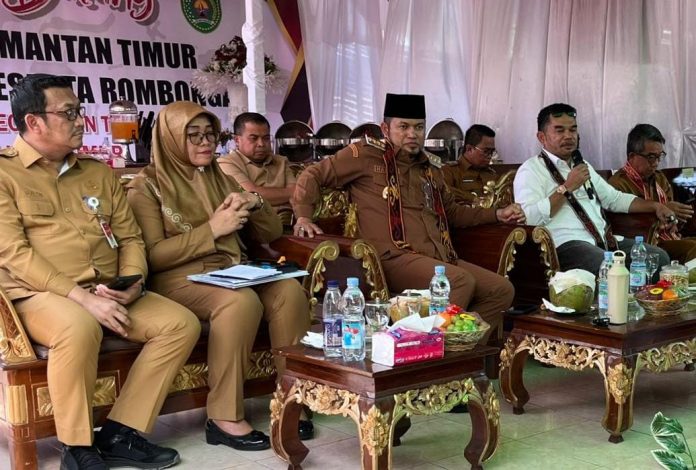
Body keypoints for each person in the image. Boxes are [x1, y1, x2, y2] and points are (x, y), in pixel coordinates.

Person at [0, 74, 201, 469]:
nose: (81, 121)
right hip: (38, 294)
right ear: (33, 122)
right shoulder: (5, 174)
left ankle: (121, 433)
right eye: (68, 113)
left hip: (107, 290)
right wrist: (82, 299)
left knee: (179, 324)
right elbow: (14, 254)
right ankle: (77, 447)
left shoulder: (97, 172)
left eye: (79, 111)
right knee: (78, 326)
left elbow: (130, 239)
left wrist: (133, 283)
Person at [126, 101, 311, 452]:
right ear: (170, 138)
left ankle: (293, 399)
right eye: (193, 136)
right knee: (238, 303)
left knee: (289, 291)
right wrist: (211, 230)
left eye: (210, 135)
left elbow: (271, 232)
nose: (205, 143)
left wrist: (255, 202)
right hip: (179, 279)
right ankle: (224, 416)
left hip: (232, 270)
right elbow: (151, 256)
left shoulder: (219, 178)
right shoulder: (146, 186)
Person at [291, 93, 525, 341]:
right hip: (391, 258)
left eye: (419, 127)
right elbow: (312, 175)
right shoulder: (365, 155)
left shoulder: (431, 168)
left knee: (500, 289)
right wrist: (303, 216)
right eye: (403, 127)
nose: (412, 134)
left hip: (437, 257)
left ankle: (462, 350)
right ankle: (430, 352)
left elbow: (453, 213)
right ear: (385, 129)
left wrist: (497, 214)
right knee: (459, 282)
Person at [513, 103, 672, 276]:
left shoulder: (582, 165)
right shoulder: (530, 170)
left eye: (573, 130)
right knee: (609, 269)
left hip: (604, 241)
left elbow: (614, 199)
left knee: (658, 258)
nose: (569, 136)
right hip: (568, 245)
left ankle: (640, 295)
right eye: (559, 130)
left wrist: (656, 206)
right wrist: (567, 188)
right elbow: (528, 218)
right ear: (542, 137)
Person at [608, 124, 696, 263]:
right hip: (646, 244)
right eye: (651, 157)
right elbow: (623, 226)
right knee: (693, 249)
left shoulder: (660, 179)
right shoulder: (617, 184)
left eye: (659, 156)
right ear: (632, 156)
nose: (656, 163)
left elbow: (673, 221)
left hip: (670, 236)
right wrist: (659, 212)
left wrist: (675, 219)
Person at [217, 112, 297, 220]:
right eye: (253, 138)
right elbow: (251, 195)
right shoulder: (227, 163)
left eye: (266, 138)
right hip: (251, 227)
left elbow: (298, 194)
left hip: (290, 222)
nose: (261, 144)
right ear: (237, 140)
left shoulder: (281, 161)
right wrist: (290, 194)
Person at [442, 124, 499, 205]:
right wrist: (473, 199)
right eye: (486, 151)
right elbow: (443, 192)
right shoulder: (450, 171)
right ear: (469, 149)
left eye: (492, 152)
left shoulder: (491, 174)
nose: (490, 156)